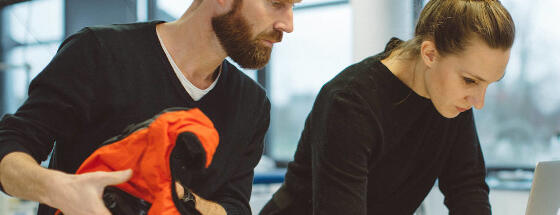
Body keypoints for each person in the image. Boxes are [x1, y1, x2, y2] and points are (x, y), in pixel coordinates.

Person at [0, 0, 298, 214]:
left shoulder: (252, 104)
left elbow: (233, 207)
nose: (289, 24)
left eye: (294, 6)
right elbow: (8, 149)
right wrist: (62, 190)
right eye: (276, 3)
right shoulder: (98, 52)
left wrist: (179, 198)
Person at [260, 0, 515, 214]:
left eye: (487, 85)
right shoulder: (349, 102)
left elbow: (467, 189)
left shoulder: (453, 101)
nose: (478, 102)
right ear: (429, 54)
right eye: (470, 80)